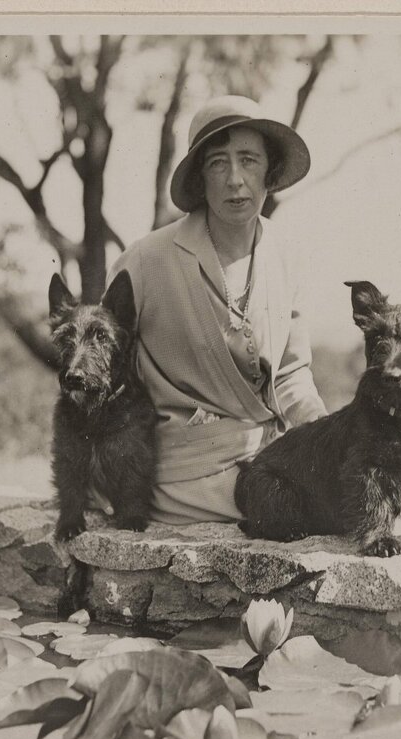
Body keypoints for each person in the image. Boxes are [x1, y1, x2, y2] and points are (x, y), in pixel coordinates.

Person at [109, 94, 327, 524]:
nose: (234, 180)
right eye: (217, 163)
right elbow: (100, 366)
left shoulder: (287, 256)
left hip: (267, 455)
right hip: (182, 472)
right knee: (306, 511)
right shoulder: (146, 260)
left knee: (380, 492)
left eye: (248, 160)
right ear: (199, 178)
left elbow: (290, 375)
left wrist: (325, 436)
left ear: (270, 172)